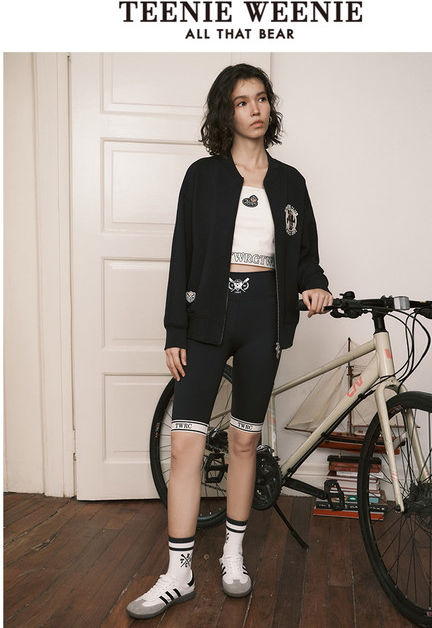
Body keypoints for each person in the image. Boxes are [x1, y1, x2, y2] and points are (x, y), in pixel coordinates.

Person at [127, 64, 333, 619]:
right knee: (185, 443)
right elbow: (184, 251)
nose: (256, 109)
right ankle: (178, 572)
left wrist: (315, 283)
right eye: (243, 102)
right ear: (228, 112)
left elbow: (305, 255)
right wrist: (175, 329)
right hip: (208, 316)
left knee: (244, 441)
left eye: (261, 98)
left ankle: (233, 556)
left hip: (264, 315)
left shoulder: (290, 182)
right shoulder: (203, 176)